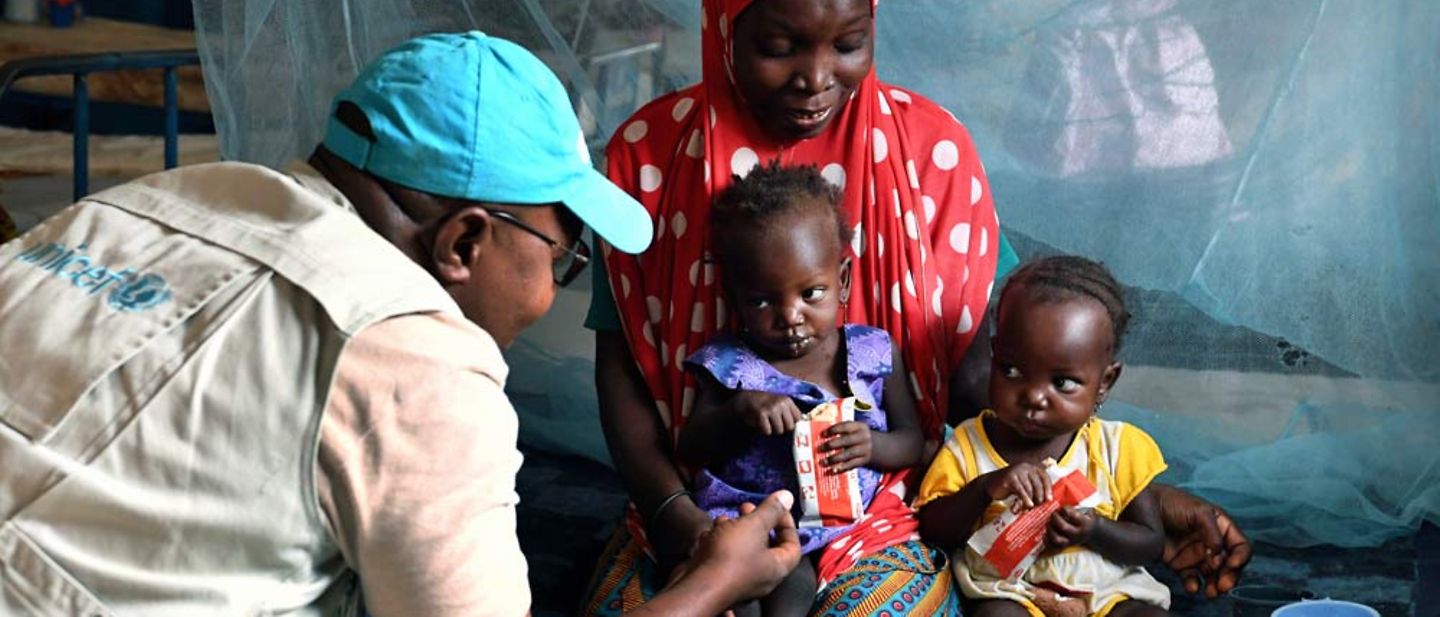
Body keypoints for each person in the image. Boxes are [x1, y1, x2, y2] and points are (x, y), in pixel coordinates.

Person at [0, 31, 802, 616]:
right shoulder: (416, 363)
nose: (548, 292)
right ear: (465, 241)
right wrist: (715, 585)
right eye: (562, 260)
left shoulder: (143, 204)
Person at [584, 0, 1250, 614]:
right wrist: (678, 517)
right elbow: (623, 372)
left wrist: (1135, 502)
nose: (816, 78)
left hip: (887, 513)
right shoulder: (651, 155)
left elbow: (997, 374)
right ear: (724, 26)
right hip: (699, 505)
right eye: (779, 45)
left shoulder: (932, 153)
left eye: (849, 43)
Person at [677, 162, 927, 615]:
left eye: (811, 293)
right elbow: (691, 447)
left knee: (795, 586)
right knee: (742, 593)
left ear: (844, 280)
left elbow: (913, 441)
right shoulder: (731, 363)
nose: (790, 315)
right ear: (735, 300)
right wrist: (740, 412)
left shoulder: (873, 351)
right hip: (747, 519)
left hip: (839, 527)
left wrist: (871, 446)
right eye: (762, 300)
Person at [917, 256, 1170, 616]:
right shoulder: (968, 447)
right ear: (993, 357)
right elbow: (933, 530)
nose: (1034, 397)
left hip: (1108, 595)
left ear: (1105, 383)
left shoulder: (1118, 449)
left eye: (1062, 382)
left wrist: (1096, 530)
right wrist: (988, 487)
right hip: (1012, 593)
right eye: (1012, 370)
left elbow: (1151, 544)